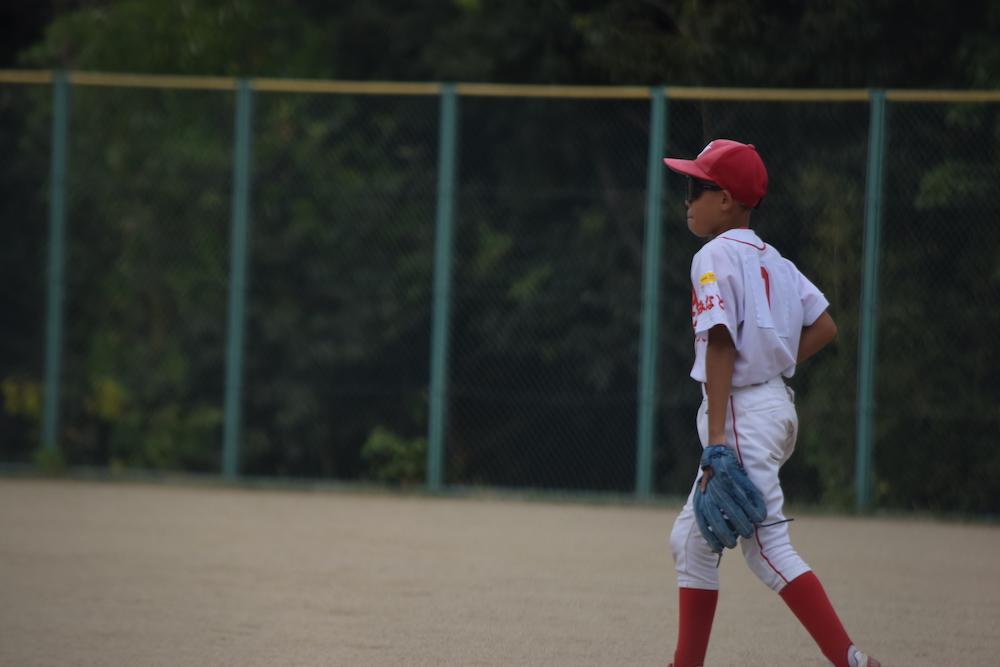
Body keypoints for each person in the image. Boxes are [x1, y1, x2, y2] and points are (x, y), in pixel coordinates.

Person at [663, 140, 880, 667]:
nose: (687, 199)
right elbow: (824, 325)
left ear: (726, 199)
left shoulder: (713, 254)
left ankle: (852, 660)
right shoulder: (775, 259)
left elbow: (719, 343)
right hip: (774, 407)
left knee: (765, 549)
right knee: (690, 542)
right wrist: (773, 361)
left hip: (740, 415)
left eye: (696, 187)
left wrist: (717, 439)